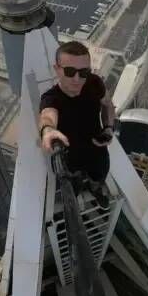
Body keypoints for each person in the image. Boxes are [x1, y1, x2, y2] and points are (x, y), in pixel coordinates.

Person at [39, 41, 115, 207]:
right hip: (69, 156)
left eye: (83, 72)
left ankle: (96, 190)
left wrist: (109, 128)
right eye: (70, 71)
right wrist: (48, 130)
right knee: (72, 185)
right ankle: (77, 189)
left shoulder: (94, 83)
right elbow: (48, 116)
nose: (77, 79)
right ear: (57, 69)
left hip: (97, 148)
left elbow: (108, 105)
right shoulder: (51, 98)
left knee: (98, 177)